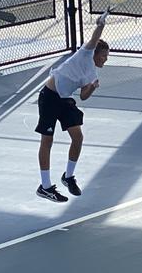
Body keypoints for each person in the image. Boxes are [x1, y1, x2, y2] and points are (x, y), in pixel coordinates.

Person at [35, 12, 110, 203]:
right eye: (103, 56)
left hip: (65, 99)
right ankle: (45, 187)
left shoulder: (92, 74)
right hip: (50, 96)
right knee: (47, 141)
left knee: (78, 137)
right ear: (94, 53)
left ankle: (68, 177)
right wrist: (100, 24)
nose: (105, 59)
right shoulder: (85, 54)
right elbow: (95, 37)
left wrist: (92, 87)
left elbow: (83, 96)